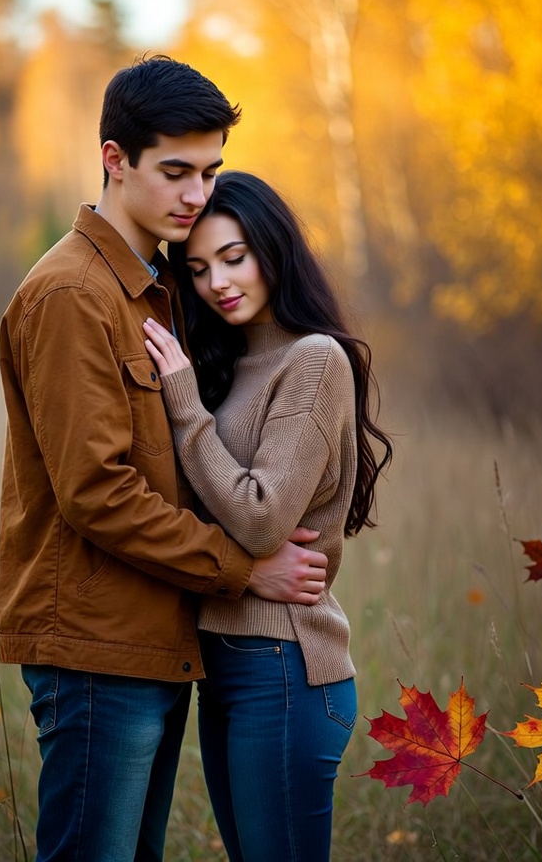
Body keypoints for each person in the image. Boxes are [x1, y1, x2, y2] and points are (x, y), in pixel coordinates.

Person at [0, 57, 330, 862]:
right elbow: (97, 494)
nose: (196, 195)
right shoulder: (74, 294)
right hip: (92, 648)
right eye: (175, 171)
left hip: (146, 638)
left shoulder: (153, 288)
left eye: (209, 172)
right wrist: (243, 569)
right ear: (115, 159)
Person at [142, 170, 393, 862]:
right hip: (225, 669)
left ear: (273, 250)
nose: (217, 282)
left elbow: (258, 521)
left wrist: (184, 404)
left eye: (234, 257)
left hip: (283, 670)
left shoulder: (313, 361)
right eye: (197, 269)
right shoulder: (234, 365)